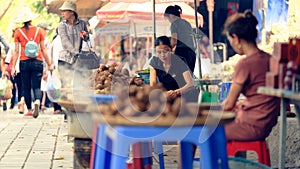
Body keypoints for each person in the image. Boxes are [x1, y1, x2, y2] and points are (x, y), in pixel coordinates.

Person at [222, 10, 280, 141]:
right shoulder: (270, 59)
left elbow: (229, 104)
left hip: (251, 125)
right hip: (265, 123)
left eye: (230, 40)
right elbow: (260, 96)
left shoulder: (245, 64)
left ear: (236, 39)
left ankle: (205, 162)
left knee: (198, 131)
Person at [11, 7, 53, 118]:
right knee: (37, 85)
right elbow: (43, 49)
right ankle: (38, 101)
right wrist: (49, 64)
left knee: (26, 86)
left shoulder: (18, 32)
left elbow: (16, 51)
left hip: (24, 62)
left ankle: (29, 109)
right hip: (37, 61)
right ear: (31, 19)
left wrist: (14, 67)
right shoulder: (39, 31)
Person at [149, 36, 198, 102]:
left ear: (171, 49)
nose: (162, 55)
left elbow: (190, 84)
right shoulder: (154, 62)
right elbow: (153, 84)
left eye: (165, 51)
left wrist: (176, 92)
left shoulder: (179, 61)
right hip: (164, 97)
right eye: (159, 52)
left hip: (182, 96)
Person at [57, 0, 89, 88]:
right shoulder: (62, 25)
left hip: (78, 59)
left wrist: (85, 35)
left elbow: (87, 39)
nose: (62, 13)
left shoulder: (82, 24)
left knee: (78, 85)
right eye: (62, 11)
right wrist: (76, 52)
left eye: (64, 11)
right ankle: (64, 102)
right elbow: (65, 42)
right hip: (65, 59)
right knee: (66, 85)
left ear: (72, 12)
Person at [164, 5, 196, 73]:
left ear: (171, 15)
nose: (169, 21)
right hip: (192, 52)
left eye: (168, 18)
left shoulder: (174, 24)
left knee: (181, 76)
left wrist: (167, 49)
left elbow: (174, 41)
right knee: (189, 76)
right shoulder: (187, 23)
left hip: (182, 52)